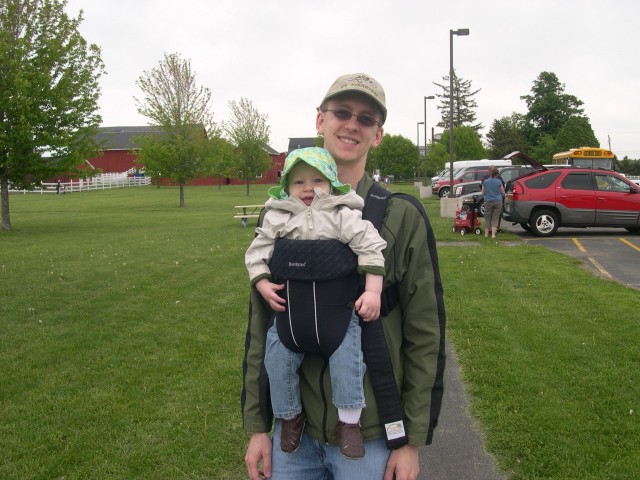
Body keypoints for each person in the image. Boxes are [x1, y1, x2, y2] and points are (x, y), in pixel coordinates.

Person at [242, 73, 445, 480]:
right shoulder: (279, 215)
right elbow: (261, 326)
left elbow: (425, 334)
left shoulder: (401, 216)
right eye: (342, 112)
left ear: (378, 134)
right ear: (320, 121)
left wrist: (409, 441)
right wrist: (258, 426)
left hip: (369, 438)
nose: (352, 124)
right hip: (291, 435)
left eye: (366, 118)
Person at [245, 147, 387, 460]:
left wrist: (373, 291)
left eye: (317, 180)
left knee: (349, 361)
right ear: (286, 189)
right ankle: (290, 416)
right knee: (276, 360)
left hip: (336, 317)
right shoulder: (278, 217)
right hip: (289, 319)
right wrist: (262, 281)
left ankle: (349, 423)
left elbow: (371, 248)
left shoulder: (343, 216)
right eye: (299, 182)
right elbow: (256, 252)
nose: (308, 188)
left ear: (333, 184)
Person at [481, 168, 505, 238]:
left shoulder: (485, 182)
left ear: (490, 173)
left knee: (487, 217)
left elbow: (483, 192)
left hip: (488, 201)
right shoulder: (499, 181)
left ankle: (486, 234)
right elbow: (502, 192)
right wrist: (504, 195)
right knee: (495, 217)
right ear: (496, 173)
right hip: (497, 201)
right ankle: (493, 234)